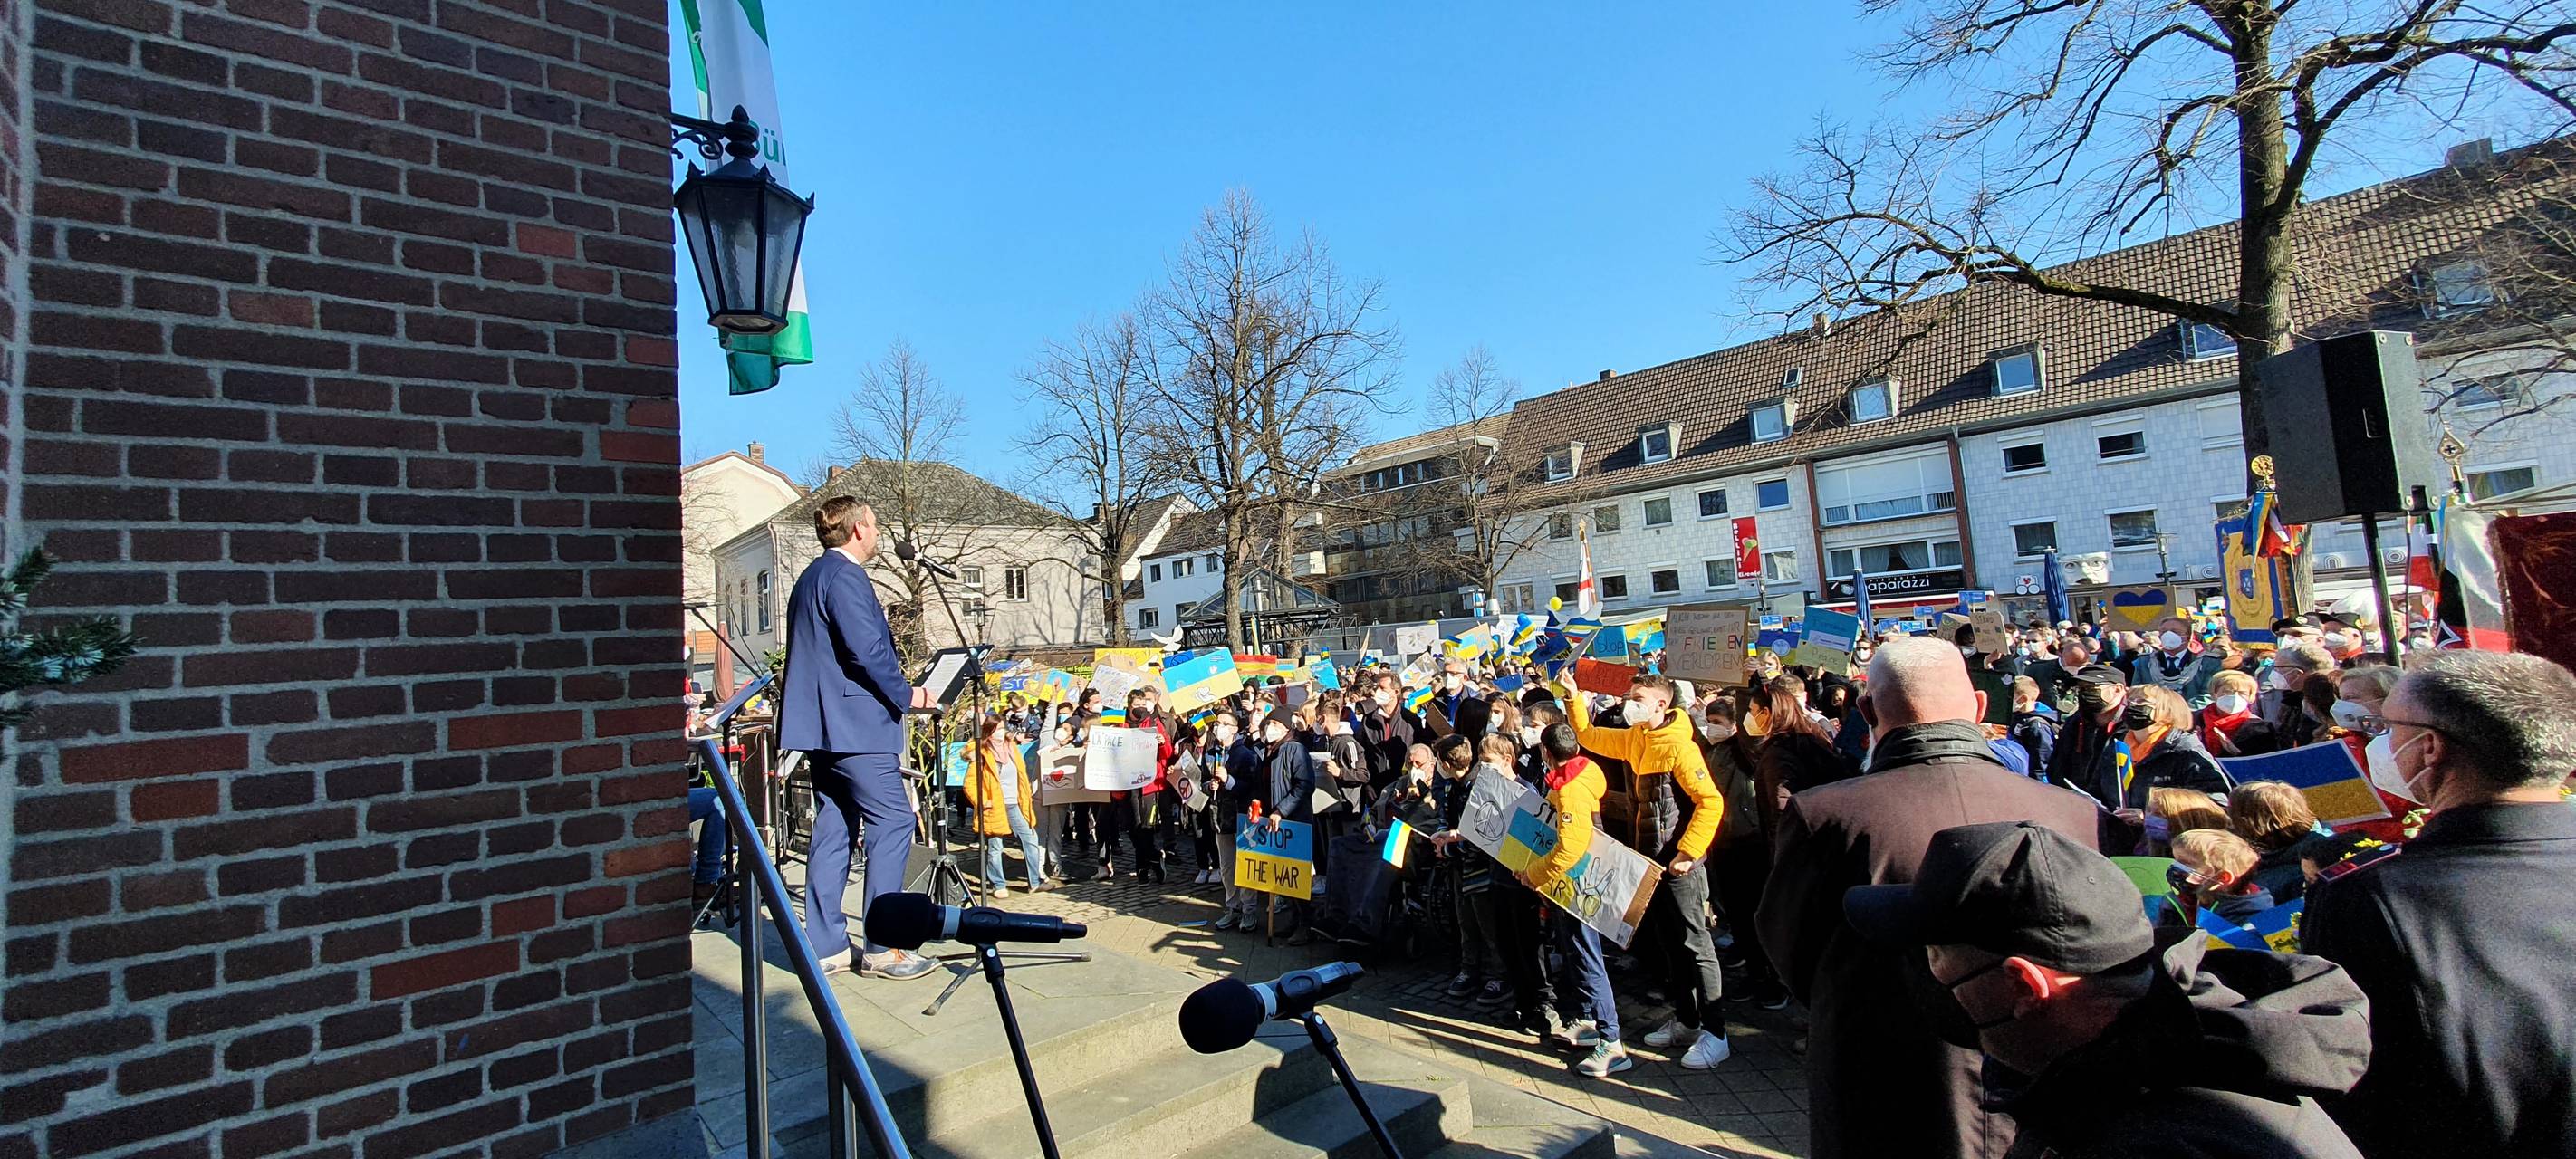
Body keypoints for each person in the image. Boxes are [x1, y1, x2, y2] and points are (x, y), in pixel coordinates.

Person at [1757, 637, 2102, 1159]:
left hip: (1880, 1064)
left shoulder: (1827, 815)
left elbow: (1789, 943)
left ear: (1867, 708)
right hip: (2039, 1075)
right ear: (1980, 707)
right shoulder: (2073, 813)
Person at [1843, 820, 2369, 1159]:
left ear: (2024, 984)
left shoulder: (2161, 1142)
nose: (1926, 973)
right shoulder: (2145, 1066)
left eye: (1935, 954)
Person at [2302, 649, 2576, 1159]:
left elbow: (2366, 1085)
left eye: (2388, 726)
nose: (2380, 741)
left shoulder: (2368, 898)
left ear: (2429, 748)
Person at [775, 497, 938, 980]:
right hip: (856, 727)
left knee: (834, 828)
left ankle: (825, 945)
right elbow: (867, 650)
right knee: (893, 821)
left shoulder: (810, 577)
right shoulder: (846, 577)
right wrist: (909, 695)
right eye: (874, 522)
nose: (879, 530)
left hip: (823, 728)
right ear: (858, 530)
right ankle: (883, 946)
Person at [1569, 672, 1732, 1069]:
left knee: (1696, 945)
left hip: (1679, 865)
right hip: (1650, 861)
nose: (1629, 702)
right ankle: (1688, 1021)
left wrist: (1688, 852)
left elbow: (1710, 802)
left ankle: (1717, 1032)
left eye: (1637, 697)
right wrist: (1573, 698)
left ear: (1661, 704)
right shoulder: (1636, 738)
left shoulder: (1680, 746)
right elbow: (1589, 737)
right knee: (1670, 943)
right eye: (1628, 696)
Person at [1523, 721, 1629, 1078]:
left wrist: (1534, 874)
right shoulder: (1582, 774)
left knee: (1587, 955)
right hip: (1568, 885)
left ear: (1546, 753)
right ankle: (1587, 1022)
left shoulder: (1569, 791)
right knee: (1575, 952)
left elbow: (1569, 847)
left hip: (1576, 884)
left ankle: (1611, 1042)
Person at [962, 714, 1045, 896]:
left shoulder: (1011, 748)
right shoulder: (981, 753)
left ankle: (1034, 882)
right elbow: (970, 783)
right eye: (997, 729)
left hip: (1015, 803)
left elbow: (1020, 774)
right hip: (994, 807)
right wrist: (983, 801)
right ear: (989, 732)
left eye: (1003, 727)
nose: (1002, 732)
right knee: (995, 847)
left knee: (1030, 839)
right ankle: (998, 885)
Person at [2225, 781, 2331, 904]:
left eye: (2232, 815)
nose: (2229, 821)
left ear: (2248, 823)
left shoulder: (2296, 875)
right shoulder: (2326, 841)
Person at [2167, 828, 2274, 926]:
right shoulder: (2187, 900)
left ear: (2223, 878)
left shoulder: (2251, 918)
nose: (2176, 867)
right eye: (2176, 860)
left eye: (2186, 863)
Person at [2129, 616, 2225, 708]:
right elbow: (2137, 692)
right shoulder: (2144, 662)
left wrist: (2178, 712)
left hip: (2192, 717)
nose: (2168, 635)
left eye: (2175, 631)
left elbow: (2209, 696)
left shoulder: (2209, 663)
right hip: (2154, 717)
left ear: (2188, 637)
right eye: (2164, 631)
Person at [2263, 639, 2336, 749]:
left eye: (2278, 668)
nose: (2275, 672)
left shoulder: (2327, 700)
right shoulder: (2292, 699)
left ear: (2297, 672)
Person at [2196, 668, 2278, 757]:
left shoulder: (2260, 728)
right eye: (2227, 692)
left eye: (2242, 693)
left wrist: (2235, 753)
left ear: (2251, 697)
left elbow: (2262, 762)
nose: (2235, 697)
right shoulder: (2196, 720)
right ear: (2214, 694)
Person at [2005, 675, 2057, 783]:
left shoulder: (2038, 726)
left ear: (2023, 699)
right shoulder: (2017, 716)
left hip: (2030, 780)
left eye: (2009, 696)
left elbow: (2042, 764)